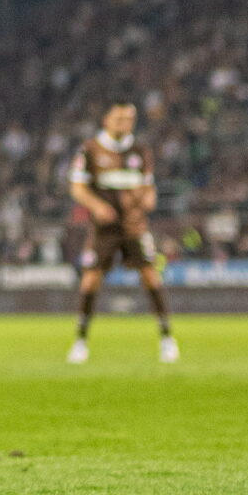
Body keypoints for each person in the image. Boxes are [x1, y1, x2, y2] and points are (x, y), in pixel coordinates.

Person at [64, 102, 177, 365]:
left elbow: (149, 186)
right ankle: (80, 341)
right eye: (120, 118)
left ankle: (167, 338)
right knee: (90, 281)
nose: (125, 123)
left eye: (129, 118)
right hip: (103, 230)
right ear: (107, 119)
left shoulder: (140, 151)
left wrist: (149, 198)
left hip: (135, 227)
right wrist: (97, 206)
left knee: (151, 277)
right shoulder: (90, 150)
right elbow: (78, 188)